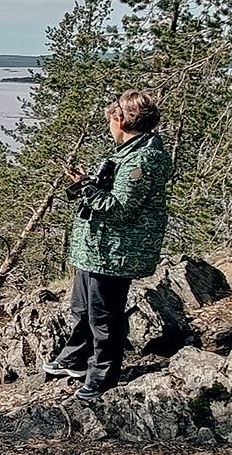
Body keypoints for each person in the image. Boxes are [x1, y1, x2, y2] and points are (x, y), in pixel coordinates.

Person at [43, 90, 172, 401]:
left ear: (120, 120)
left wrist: (87, 188)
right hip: (97, 249)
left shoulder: (142, 160)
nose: (109, 128)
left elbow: (122, 207)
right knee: (82, 308)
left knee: (105, 317)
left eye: (111, 121)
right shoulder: (128, 152)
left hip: (115, 253)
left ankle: (104, 375)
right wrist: (87, 182)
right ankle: (75, 358)